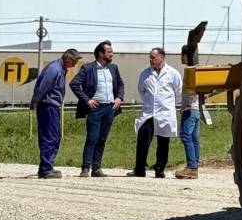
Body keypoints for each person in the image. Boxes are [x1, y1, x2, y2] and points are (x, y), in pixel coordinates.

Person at [69, 40, 124, 178]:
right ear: (101, 54)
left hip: (110, 108)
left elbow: (120, 84)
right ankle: (85, 168)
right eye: (109, 51)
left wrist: (119, 98)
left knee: (102, 139)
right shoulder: (88, 68)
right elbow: (74, 84)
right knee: (92, 138)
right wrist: (87, 100)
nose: (112, 53)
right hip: (95, 109)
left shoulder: (113, 68)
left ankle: (97, 168)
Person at [129, 47, 182, 178]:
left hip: (165, 113)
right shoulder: (145, 74)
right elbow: (142, 91)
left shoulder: (173, 74)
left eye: (153, 57)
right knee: (143, 140)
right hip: (149, 113)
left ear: (162, 57)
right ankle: (140, 169)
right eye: (150, 58)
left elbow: (179, 93)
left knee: (163, 143)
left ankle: (160, 169)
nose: (151, 60)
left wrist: (166, 103)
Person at [28, 49, 81, 179]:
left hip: (52, 106)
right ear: (67, 57)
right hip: (48, 106)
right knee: (50, 137)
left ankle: (48, 166)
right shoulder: (54, 69)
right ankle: (46, 169)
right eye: (74, 61)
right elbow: (43, 87)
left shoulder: (59, 68)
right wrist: (35, 101)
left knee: (55, 137)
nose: (74, 65)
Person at [174, 46, 200, 180]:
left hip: (189, 109)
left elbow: (194, 88)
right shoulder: (195, 69)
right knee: (194, 138)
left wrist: (188, 104)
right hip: (196, 109)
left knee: (185, 136)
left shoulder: (190, 71)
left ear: (186, 55)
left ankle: (191, 167)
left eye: (181, 54)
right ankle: (194, 166)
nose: (180, 57)